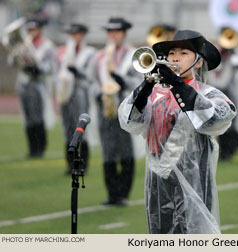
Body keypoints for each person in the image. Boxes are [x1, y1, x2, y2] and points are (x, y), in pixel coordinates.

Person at [118, 30, 237, 233]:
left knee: (193, 235)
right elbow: (129, 119)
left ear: (198, 62)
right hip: (157, 180)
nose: (175, 58)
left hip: (195, 180)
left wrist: (178, 84)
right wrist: (146, 86)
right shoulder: (156, 94)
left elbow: (215, 119)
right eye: (172, 53)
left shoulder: (209, 93)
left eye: (183, 53)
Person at [89, 17, 142, 205]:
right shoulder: (99, 56)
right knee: (108, 150)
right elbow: (92, 81)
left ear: (124, 33)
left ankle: (123, 193)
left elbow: (139, 82)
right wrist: (100, 92)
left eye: (117, 31)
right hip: (105, 107)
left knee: (126, 149)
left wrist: (121, 81)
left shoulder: (133, 55)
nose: (113, 35)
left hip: (126, 108)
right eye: (110, 32)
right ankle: (112, 194)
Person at [6, 18, 56, 158]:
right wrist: (14, 49)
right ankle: (31, 148)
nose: (31, 32)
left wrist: (38, 68)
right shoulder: (23, 44)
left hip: (37, 83)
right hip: (23, 82)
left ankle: (40, 147)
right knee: (27, 117)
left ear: (40, 29)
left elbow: (51, 65)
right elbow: (11, 62)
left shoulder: (47, 45)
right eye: (29, 30)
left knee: (37, 116)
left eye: (34, 29)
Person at [56, 23, 96, 174]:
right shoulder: (63, 51)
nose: (74, 37)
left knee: (81, 127)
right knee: (67, 128)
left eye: (77, 34)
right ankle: (70, 164)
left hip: (80, 91)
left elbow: (90, 74)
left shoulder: (89, 53)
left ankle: (82, 164)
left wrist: (78, 71)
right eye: (72, 34)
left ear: (83, 35)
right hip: (66, 92)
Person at [207, 27, 238, 160]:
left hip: (233, 92)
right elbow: (213, 65)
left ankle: (231, 149)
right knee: (219, 120)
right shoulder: (217, 51)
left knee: (234, 121)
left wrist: (233, 52)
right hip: (217, 91)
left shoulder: (237, 52)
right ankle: (223, 149)